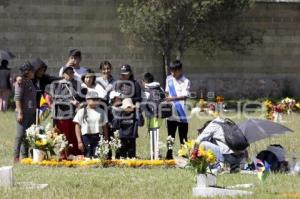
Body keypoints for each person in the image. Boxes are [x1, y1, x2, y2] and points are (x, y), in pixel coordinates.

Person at [49, 66, 87, 159]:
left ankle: (75, 155)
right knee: (63, 136)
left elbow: (81, 97)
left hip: (74, 115)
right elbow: (56, 99)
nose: (70, 75)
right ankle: (64, 156)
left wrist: (80, 102)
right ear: (63, 74)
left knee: (74, 136)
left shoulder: (77, 84)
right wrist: (70, 101)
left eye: (71, 73)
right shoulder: (57, 85)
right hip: (62, 115)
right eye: (67, 73)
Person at [165, 60, 191, 159]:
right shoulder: (169, 79)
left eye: (174, 71)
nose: (173, 74)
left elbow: (184, 96)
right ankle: (169, 154)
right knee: (170, 136)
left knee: (183, 137)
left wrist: (171, 98)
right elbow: (167, 92)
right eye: (171, 71)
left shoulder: (186, 81)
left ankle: (184, 156)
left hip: (182, 113)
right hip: (171, 113)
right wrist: (166, 100)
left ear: (180, 70)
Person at [13, 62, 37, 163]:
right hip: (23, 112)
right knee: (20, 135)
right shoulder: (20, 82)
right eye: (32, 71)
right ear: (27, 72)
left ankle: (25, 156)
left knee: (27, 135)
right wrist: (20, 112)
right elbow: (17, 98)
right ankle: (16, 157)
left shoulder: (29, 81)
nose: (34, 72)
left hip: (31, 112)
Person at [74, 91, 109, 158]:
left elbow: (104, 126)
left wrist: (106, 139)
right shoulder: (81, 111)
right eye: (93, 99)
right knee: (87, 155)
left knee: (97, 156)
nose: (96, 101)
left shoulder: (101, 111)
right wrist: (79, 141)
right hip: (86, 137)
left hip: (98, 137)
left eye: (97, 99)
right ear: (87, 100)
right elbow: (77, 126)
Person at [141, 72, 165, 160]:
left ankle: (154, 155)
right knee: (156, 134)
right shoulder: (159, 88)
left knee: (153, 135)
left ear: (144, 81)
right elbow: (164, 98)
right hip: (160, 115)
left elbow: (143, 103)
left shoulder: (147, 90)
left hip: (151, 115)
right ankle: (156, 153)